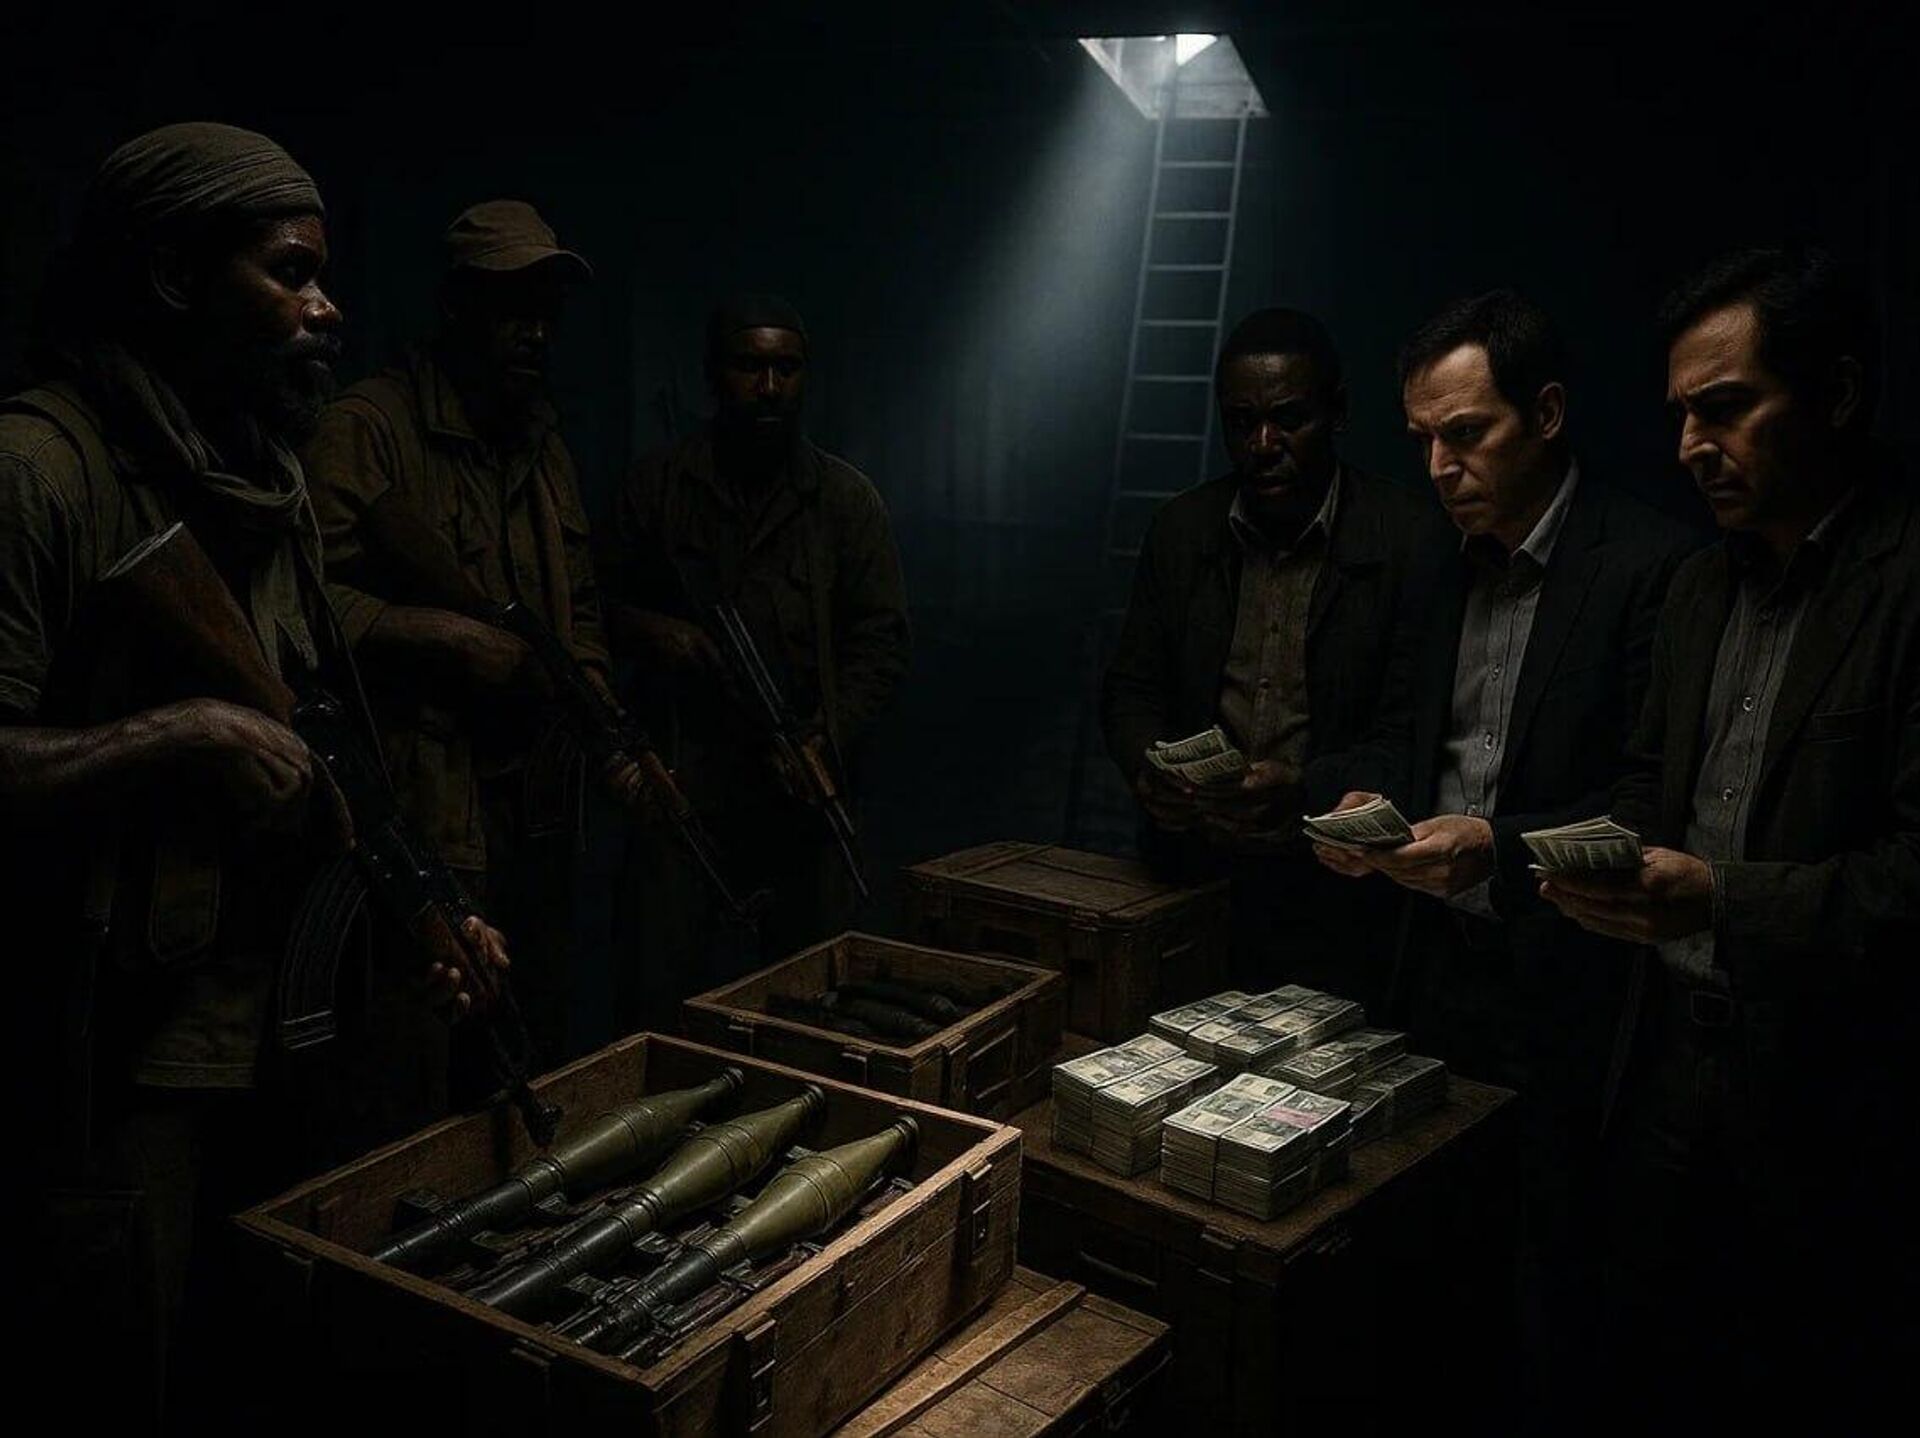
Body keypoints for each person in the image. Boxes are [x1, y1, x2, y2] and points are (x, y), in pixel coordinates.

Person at [0, 123, 503, 1428]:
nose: (327, 309)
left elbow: (322, 729)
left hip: (269, 1033)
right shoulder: (40, 470)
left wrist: (425, 904)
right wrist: (179, 733)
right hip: (116, 1058)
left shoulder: (258, 480)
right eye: (290, 274)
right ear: (175, 276)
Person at [1540, 247, 1918, 1407]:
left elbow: (1911, 881)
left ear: (1837, 394)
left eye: (1724, 407)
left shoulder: (1907, 581)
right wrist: (1562, 856)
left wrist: (1716, 896)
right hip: (1662, 1070)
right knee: (1640, 1366)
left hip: (1836, 1105)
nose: (1689, 445)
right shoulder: (1699, 589)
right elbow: (1649, 790)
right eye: (1679, 415)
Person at [1312, 289, 1696, 1401]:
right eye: (1422, 439)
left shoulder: (1651, 565)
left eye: (1467, 432)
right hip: (1430, 964)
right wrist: (1361, 802)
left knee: (1555, 1276)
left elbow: (1650, 799)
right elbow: (1396, 731)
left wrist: (1495, 845)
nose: (1439, 466)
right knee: (1426, 1249)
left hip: (1572, 982)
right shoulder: (1435, 562)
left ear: (1548, 414)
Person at [304, 200, 609, 1064]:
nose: (534, 333)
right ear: (455, 307)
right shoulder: (367, 429)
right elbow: (298, 609)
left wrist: (590, 696)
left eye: (546, 313)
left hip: (534, 812)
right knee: (417, 1060)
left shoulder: (542, 444)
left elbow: (581, 603)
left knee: (530, 1040)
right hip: (423, 803)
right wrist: (441, 635)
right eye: (511, 308)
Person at [1101, 306, 1451, 1003]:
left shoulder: (1411, 539)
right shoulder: (1181, 530)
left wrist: (1304, 790)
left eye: (1289, 419)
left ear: (1337, 412)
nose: (1263, 444)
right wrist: (1148, 769)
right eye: (1241, 423)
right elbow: (1130, 690)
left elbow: (1413, 735)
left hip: (1340, 894)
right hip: (1187, 879)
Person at [606, 295, 910, 1026]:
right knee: (662, 1003)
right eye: (749, 366)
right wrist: (660, 636)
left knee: (812, 1008)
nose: (769, 386)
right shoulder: (659, 487)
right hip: (686, 790)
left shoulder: (843, 501)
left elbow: (881, 642)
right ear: (716, 374)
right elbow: (592, 610)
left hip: (799, 794)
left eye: (786, 368)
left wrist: (824, 737)